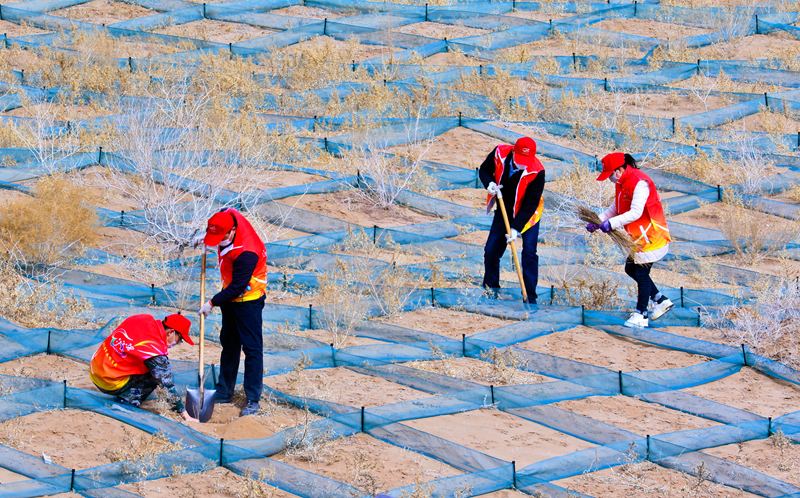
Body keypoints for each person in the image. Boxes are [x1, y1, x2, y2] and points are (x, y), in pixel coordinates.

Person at [586, 152, 674, 328]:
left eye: (610, 174)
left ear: (619, 170)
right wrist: (598, 220)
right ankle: (660, 299)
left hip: (650, 235)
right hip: (638, 237)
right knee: (630, 268)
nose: (609, 179)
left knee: (641, 273)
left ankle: (641, 315)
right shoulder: (622, 182)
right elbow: (616, 207)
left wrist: (610, 224)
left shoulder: (639, 183)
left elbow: (636, 212)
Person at [196, 208, 267, 417]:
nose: (219, 240)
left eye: (221, 237)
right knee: (229, 343)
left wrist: (212, 302)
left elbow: (238, 287)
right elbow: (221, 220)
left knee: (252, 349)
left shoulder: (247, 252)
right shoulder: (228, 216)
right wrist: (207, 239)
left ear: (233, 231)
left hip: (247, 299)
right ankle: (224, 391)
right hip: (230, 292)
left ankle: (253, 400)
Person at [90, 313, 199, 422]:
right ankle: (126, 403)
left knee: (149, 365)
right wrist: (184, 414)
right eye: (179, 340)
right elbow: (166, 385)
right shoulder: (155, 350)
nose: (178, 343)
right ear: (170, 332)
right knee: (155, 375)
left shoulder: (142, 318)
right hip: (108, 382)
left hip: (95, 368)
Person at [479, 136, 545, 303]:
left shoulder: (537, 171)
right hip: (504, 209)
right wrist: (489, 184)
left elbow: (531, 204)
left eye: (527, 160)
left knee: (529, 253)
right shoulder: (500, 153)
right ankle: (491, 289)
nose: (523, 164)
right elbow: (484, 170)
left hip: (528, 215)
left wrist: (515, 228)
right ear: (513, 151)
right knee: (491, 250)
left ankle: (530, 296)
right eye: (520, 159)